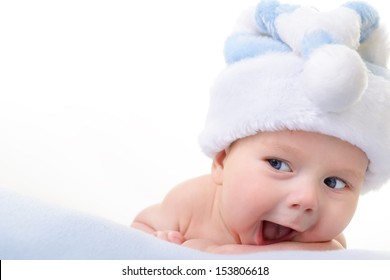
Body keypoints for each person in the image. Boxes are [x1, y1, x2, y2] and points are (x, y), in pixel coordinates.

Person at [132, 0, 390, 254]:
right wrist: (158, 240)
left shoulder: (320, 247)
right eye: (278, 164)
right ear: (221, 162)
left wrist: (227, 254)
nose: (306, 200)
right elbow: (139, 227)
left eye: (334, 182)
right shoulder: (189, 203)